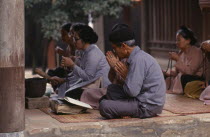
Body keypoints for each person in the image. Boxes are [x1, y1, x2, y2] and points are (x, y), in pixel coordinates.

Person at [99, 24, 166, 119]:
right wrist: (114, 68)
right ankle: (125, 110)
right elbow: (119, 83)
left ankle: (128, 112)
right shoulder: (133, 57)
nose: (114, 52)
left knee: (104, 106)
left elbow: (132, 92)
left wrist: (126, 76)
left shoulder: (138, 59)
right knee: (111, 89)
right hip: (140, 97)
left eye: (115, 48)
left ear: (123, 46)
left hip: (147, 106)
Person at [56, 23, 111, 98]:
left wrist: (72, 65)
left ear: (84, 39)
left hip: (101, 87)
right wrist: (74, 60)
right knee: (64, 87)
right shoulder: (83, 51)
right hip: (91, 83)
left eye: (76, 39)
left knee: (70, 93)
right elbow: (81, 68)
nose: (73, 41)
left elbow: (88, 77)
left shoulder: (93, 53)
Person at [165, 26, 204, 94]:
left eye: (179, 40)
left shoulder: (197, 52)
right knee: (165, 75)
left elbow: (190, 72)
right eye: (176, 40)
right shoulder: (181, 52)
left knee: (184, 77)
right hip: (182, 77)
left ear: (188, 40)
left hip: (195, 78)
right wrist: (169, 72)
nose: (176, 42)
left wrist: (177, 59)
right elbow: (177, 71)